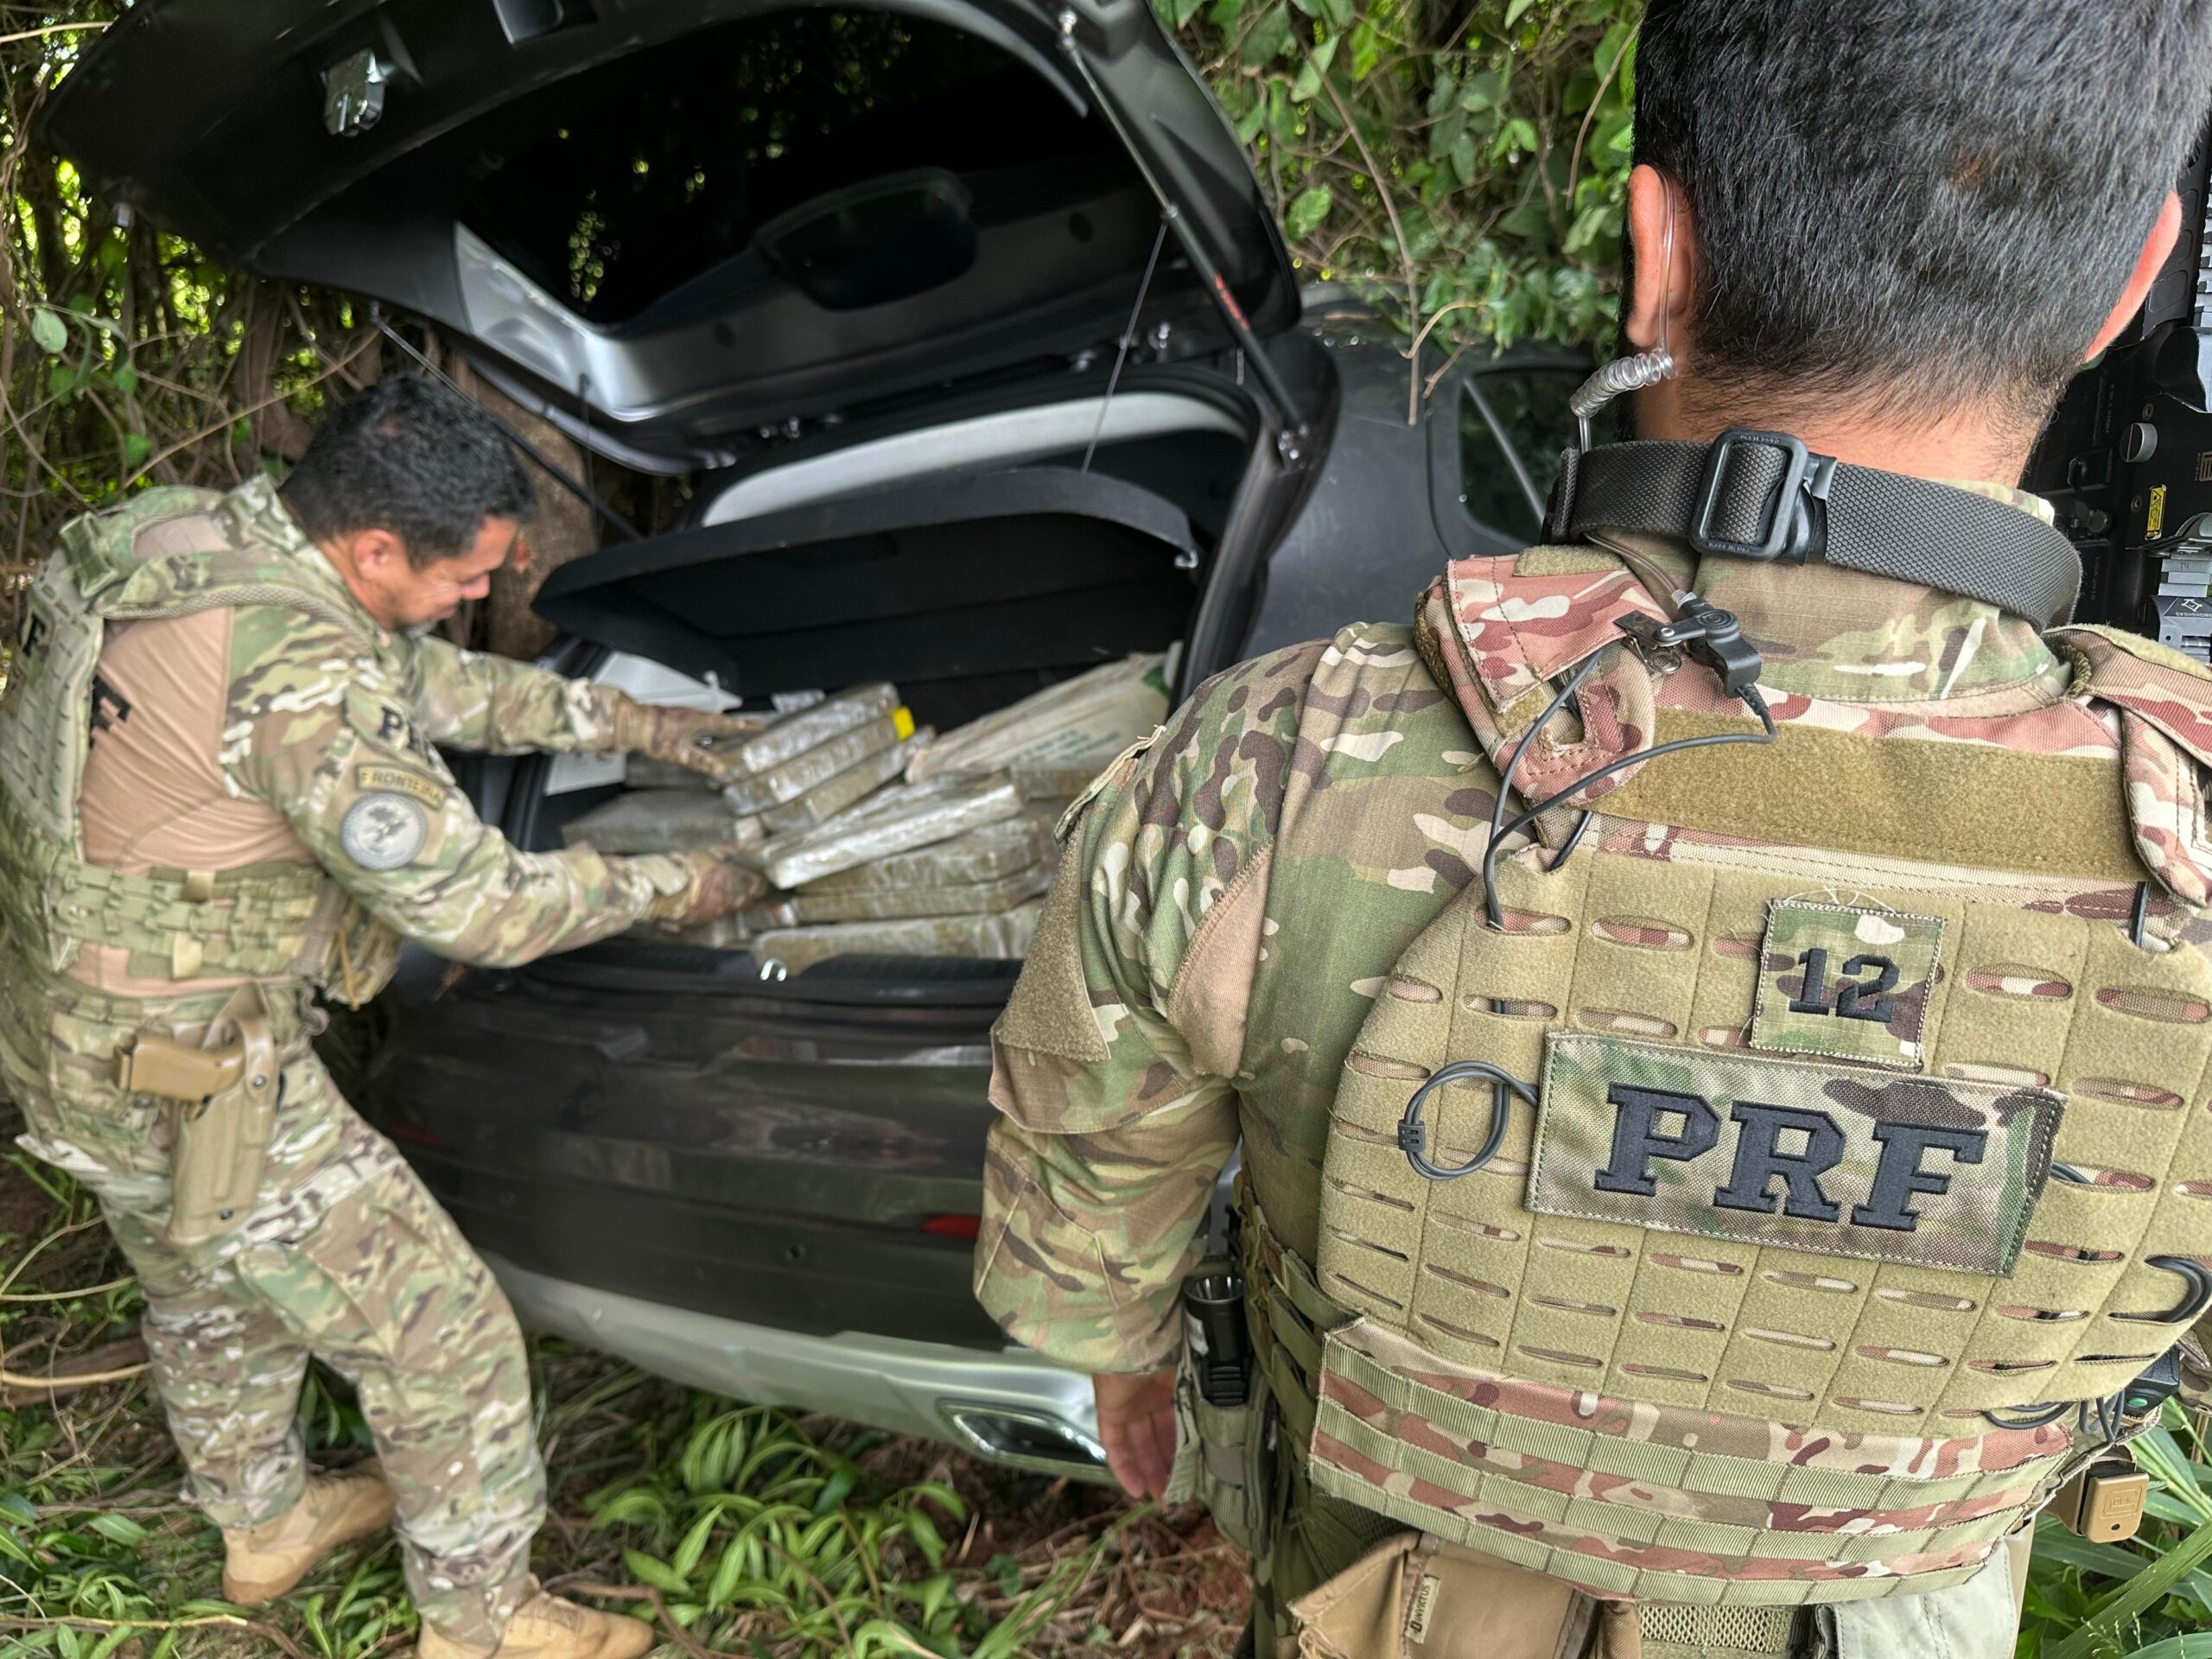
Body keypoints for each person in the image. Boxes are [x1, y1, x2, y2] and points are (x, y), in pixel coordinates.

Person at [974, 3, 2212, 1656]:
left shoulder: (1279, 764)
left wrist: (1126, 1358)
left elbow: (1087, 1224)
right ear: (2134, 281)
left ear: (1657, 253)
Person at [0, 375, 766, 1659]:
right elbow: (483, 911)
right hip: (190, 1072)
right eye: (468, 575)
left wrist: (638, 723)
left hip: (70, 1038)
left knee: (202, 1284)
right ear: (371, 548)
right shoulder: (305, 683)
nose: (481, 596)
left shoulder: (189, 541)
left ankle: (265, 1525)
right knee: (446, 1335)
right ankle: (481, 1622)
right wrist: (679, 883)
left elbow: (421, 677)